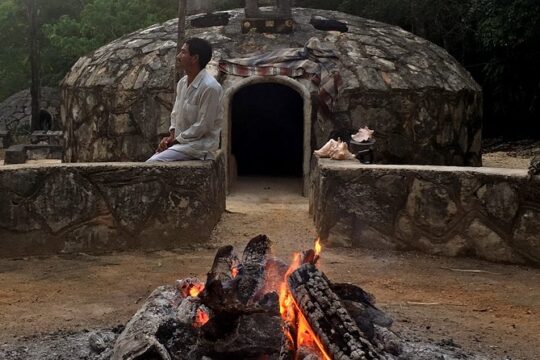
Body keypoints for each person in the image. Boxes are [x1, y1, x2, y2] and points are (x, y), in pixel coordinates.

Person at [147, 37, 223, 162]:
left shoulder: (210, 88)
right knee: (152, 160)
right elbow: (175, 113)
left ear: (194, 58)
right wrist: (171, 136)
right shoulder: (182, 83)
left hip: (200, 147)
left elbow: (204, 125)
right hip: (181, 144)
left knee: (153, 162)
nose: (178, 56)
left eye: (183, 52)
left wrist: (176, 140)